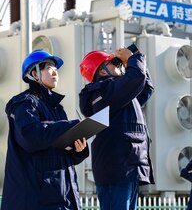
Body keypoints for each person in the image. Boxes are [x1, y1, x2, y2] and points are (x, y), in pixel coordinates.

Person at [1, 50, 89, 210]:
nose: (55, 71)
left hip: (62, 198)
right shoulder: (24, 103)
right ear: (34, 74)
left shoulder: (57, 109)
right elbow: (31, 136)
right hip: (35, 200)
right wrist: (71, 126)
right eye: (48, 67)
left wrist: (77, 150)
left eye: (56, 68)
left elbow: (59, 150)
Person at [78, 47, 154, 210]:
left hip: (128, 167)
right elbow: (136, 78)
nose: (119, 65)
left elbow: (146, 88)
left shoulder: (119, 94)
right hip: (116, 170)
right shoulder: (103, 92)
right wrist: (133, 59)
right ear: (103, 72)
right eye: (114, 62)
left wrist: (133, 62)